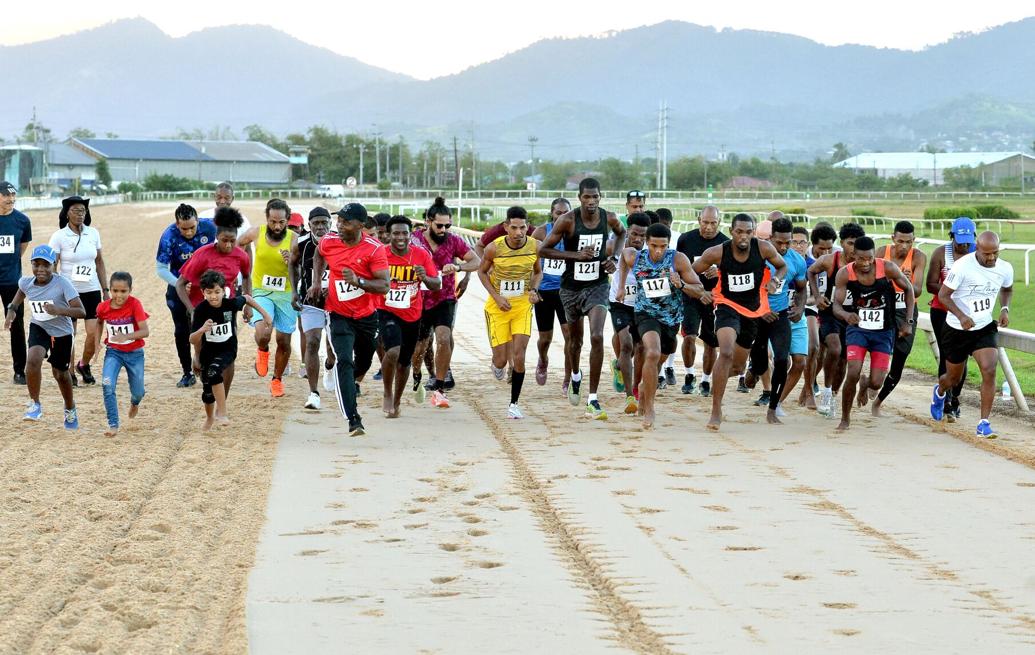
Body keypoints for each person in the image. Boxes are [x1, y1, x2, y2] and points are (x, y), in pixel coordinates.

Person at [539, 178, 626, 420]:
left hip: (597, 285)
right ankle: (575, 375)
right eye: (586, 197)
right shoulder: (567, 220)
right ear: (579, 198)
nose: (591, 201)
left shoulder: (609, 217)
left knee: (597, 336)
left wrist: (615, 258)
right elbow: (543, 250)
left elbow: (622, 233)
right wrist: (574, 255)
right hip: (570, 288)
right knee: (575, 342)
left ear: (601, 197)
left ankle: (593, 398)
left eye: (595, 197)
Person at [692, 213, 787, 430]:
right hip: (727, 306)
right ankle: (716, 410)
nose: (743, 236)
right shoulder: (717, 252)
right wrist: (700, 292)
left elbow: (782, 267)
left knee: (737, 365)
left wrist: (775, 280)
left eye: (748, 232)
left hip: (752, 311)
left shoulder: (763, 248)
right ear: (731, 231)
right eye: (739, 232)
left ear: (753, 232)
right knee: (725, 351)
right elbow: (691, 272)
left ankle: (726, 376)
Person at [310, 203, 389, 436]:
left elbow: (384, 286)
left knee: (363, 362)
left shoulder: (374, 250)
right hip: (337, 314)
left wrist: (359, 282)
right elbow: (318, 253)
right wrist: (317, 281)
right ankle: (353, 419)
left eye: (345, 222)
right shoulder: (329, 241)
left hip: (366, 316)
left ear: (361, 226)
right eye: (339, 221)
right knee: (344, 360)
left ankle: (351, 382)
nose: (339, 226)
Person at [616, 222, 705, 429]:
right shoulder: (635, 256)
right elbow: (623, 257)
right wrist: (621, 286)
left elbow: (699, 289)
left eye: (663, 246)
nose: (658, 251)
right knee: (652, 353)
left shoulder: (678, 260)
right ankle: (649, 408)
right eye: (654, 246)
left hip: (671, 318)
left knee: (657, 362)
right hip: (645, 314)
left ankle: (644, 387)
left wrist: (680, 284)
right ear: (647, 243)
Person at [930, 231, 1013, 438]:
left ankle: (983, 423)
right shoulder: (962, 267)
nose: (991, 258)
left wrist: (1004, 309)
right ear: (977, 249)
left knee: (989, 369)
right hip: (957, 329)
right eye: (987, 254)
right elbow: (943, 295)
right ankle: (939, 393)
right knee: (953, 378)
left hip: (984, 327)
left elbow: (1007, 289)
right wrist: (961, 316)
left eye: (995, 253)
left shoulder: (1005, 267)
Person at [831, 237, 914, 431]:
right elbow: (836, 305)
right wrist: (845, 314)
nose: (866, 263)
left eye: (869, 258)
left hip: (883, 331)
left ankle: (865, 383)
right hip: (858, 329)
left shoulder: (887, 268)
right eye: (861, 259)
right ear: (854, 256)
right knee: (852, 370)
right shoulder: (845, 274)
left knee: (876, 383)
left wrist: (908, 321)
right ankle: (845, 418)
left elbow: (909, 289)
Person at [4, 245, 85, 428]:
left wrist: (59, 310)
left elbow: (81, 311)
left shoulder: (63, 283)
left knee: (60, 374)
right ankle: (35, 404)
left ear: (54, 265)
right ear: (31, 265)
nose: (40, 269)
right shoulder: (26, 282)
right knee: (32, 361)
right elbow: (18, 297)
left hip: (62, 332)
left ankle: (70, 409)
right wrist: (11, 311)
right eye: (36, 264)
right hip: (39, 326)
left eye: (45, 265)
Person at [410, 198, 480, 407]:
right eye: (439, 225)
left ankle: (440, 387)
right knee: (420, 347)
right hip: (418, 299)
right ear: (428, 222)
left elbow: (475, 261)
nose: (443, 230)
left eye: (447, 226)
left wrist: (458, 268)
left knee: (443, 338)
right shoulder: (413, 240)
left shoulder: (454, 241)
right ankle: (416, 375)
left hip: (445, 297)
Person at [479, 207, 542, 419]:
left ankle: (514, 403)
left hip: (522, 306)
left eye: (522, 227)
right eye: (513, 228)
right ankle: (498, 365)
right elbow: (481, 272)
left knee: (519, 355)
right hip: (498, 307)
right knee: (501, 360)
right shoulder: (493, 248)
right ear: (506, 227)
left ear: (527, 227)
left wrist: (533, 290)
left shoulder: (535, 246)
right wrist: (497, 297)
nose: (518, 232)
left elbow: (538, 272)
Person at [190, 270, 272, 430]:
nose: (213, 296)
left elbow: (247, 298)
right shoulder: (200, 311)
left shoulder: (230, 304)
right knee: (207, 392)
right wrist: (201, 331)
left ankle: (222, 412)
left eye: (217, 292)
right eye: (209, 293)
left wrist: (265, 315)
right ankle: (209, 417)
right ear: (202, 292)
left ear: (223, 290)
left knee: (214, 373)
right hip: (208, 352)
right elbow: (192, 339)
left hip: (228, 349)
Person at [746, 216, 807, 423]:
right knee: (760, 359)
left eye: (787, 243)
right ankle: (754, 369)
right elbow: (746, 290)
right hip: (754, 314)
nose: (783, 247)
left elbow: (801, 288)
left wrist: (799, 307)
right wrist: (761, 309)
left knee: (782, 359)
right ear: (770, 238)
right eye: (778, 242)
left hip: (779, 315)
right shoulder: (756, 256)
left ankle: (772, 408)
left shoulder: (796, 260)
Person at [379, 215, 440, 417]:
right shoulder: (381, 254)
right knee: (393, 352)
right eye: (396, 233)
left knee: (405, 361)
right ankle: (387, 393)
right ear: (388, 235)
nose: (401, 237)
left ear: (410, 234)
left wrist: (425, 277)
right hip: (386, 310)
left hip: (412, 314)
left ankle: (396, 401)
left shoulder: (421, 255)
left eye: (405, 233)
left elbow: (436, 285)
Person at [238, 198, 299, 397]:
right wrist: (244, 263)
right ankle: (262, 350)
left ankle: (277, 380)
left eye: (281, 222)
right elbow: (238, 245)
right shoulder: (257, 232)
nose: (277, 225)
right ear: (267, 218)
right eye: (273, 221)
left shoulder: (293, 239)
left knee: (283, 341)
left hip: (285, 294)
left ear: (287, 220)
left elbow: (301, 267)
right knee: (264, 332)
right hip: (261, 291)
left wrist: (292, 261)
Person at [155, 203, 217, 388]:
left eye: (192, 227)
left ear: (198, 221)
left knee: (207, 328)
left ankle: (207, 367)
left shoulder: (211, 227)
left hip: (206, 286)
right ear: (176, 224)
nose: (189, 232)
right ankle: (187, 372)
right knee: (182, 330)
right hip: (178, 285)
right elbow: (160, 269)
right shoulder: (168, 236)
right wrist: (180, 284)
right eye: (184, 228)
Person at [808, 222, 865, 417]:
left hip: (851, 316)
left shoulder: (865, 265)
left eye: (857, 244)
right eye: (850, 243)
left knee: (843, 360)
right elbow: (811, 272)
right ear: (842, 243)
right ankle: (825, 391)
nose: (854, 248)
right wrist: (817, 296)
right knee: (834, 347)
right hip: (830, 311)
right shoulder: (829, 261)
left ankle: (832, 394)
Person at [49, 196, 108, 386]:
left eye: (83, 210)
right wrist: (54, 289)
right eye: (76, 210)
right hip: (68, 292)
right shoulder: (59, 236)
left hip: (91, 290)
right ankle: (70, 371)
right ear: (67, 213)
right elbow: (53, 264)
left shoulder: (93, 233)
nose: (80, 214)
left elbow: (99, 261)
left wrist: (105, 290)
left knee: (93, 334)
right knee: (70, 334)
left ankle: (84, 364)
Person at [871, 221, 927, 416]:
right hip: (883, 308)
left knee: (900, 358)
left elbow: (918, 290)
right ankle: (871, 382)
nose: (904, 246)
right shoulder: (881, 252)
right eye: (900, 241)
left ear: (914, 240)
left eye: (909, 242)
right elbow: (871, 282)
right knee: (877, 348)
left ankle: (878, 401)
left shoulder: (918, 257)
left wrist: (906, 282)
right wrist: (893, 277)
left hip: (907, 310)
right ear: (892, 238)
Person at [925, 218, 977, 422]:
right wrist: (951, 291)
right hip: (942, 311)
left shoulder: (978, 254)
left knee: (962, 357)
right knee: (948, 355)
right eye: (959, 240)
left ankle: (955, 397)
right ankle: (944, 399)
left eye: (967, 241)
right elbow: (930, 285)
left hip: (968, 313)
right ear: (952, 236)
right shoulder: (941, 253)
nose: (963, 245)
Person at [675, 205, 729, 396]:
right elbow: (678, 267)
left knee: (710, 342)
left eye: (713, 223)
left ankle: (706, 379)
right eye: (705, 222)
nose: (708, 227)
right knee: (689, 336)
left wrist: (720, 270)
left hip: (713, 298)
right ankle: (689, 374)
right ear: (699, 220)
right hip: (690, 295)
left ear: (719, 223)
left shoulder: (725, 243)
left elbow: (733, 272)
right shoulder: (685, 239)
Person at [291, 207, 335, 410]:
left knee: (333, 348)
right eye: (315, 223)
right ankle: (313, 393)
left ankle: (329, 366)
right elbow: (292, 265)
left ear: (330, 224)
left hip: (336, 302)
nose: (320, 226)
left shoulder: (340, 242)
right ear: (309, 226)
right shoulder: (301, 244)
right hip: (311, 302)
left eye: (323, 222)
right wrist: (294, 291)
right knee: (312, 342)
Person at [96, 271, 150, 436]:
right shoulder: (103, 307)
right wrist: (96, 343)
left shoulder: (135, 305)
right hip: (113, 352)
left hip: (135, 354)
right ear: (110, 290)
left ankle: (135, 402)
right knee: (107, 384)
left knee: (138, 391)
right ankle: (113, 424)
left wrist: (125, 336)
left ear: (130, 290)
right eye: (115, 291)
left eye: (123, 291)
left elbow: (145, 331)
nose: (119, 295)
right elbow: (99, 321)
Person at [607, 212, 649, 414]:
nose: (638, 239)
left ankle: (635, 386)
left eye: (643, 236)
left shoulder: (653, 251)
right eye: (634, 234)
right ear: (628, 232)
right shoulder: (616, 246)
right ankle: (629, 395)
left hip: (642, 304)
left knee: (640, 348)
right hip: (619, 301)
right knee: (626, 344)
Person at [530, 198, 573, 389]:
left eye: (566, 213)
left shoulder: (574, 233)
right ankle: (543, 359)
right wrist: (532, 288)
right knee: (545, 338)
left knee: (569, 337)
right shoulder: (541, 232)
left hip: (566, 292)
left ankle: (567, 379)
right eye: (558, 213)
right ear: (552, 213)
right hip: (544, 292)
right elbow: (531, 261)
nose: (562, 216)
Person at [176, 207, 252, 310]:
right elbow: (180, 284)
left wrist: (249, 306)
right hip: (202, 309)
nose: (228, 245)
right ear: (216, 236)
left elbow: (246, 277)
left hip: (227, 309)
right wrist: (192, 311)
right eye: (224, 240)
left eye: (232, 241)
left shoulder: (241, 256)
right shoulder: (202, 254)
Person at [798, 223, 837, 409]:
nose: (826, 252)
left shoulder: (836, 257)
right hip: (807, 307)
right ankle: (808, 391)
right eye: (822, 248)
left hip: (826, 308)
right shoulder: (805, 259)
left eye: (829, 248)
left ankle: (809, 384)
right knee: (813, 347)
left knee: (823, 351)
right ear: (813, 245)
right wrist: (814, 299)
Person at [778, 225, 817, 411]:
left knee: (803, 357)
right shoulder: (775, 261)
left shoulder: (811, 265)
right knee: (779, 360)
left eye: (802, 242)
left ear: (807, 244)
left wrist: (801, 306)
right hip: (776, 314)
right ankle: (757, 375)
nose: (798, 246)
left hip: (803, 311)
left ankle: (778, 401)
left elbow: (811, 294)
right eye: (794, 242)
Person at [0, 180, 32, 384]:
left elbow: (23, 247)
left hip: (12, 281)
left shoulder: (22, 220)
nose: (11, 199)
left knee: (16, 325)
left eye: (13, 196)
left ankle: (20, 371)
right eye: (6, 196)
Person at [655, 207, 680, 387]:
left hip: (673, 296)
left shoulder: (678, 238)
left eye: (667, 226)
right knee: (654, 336)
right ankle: (660, 373)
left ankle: (669, 366)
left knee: (670, 336)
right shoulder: (651, 239)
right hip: (653, 297)